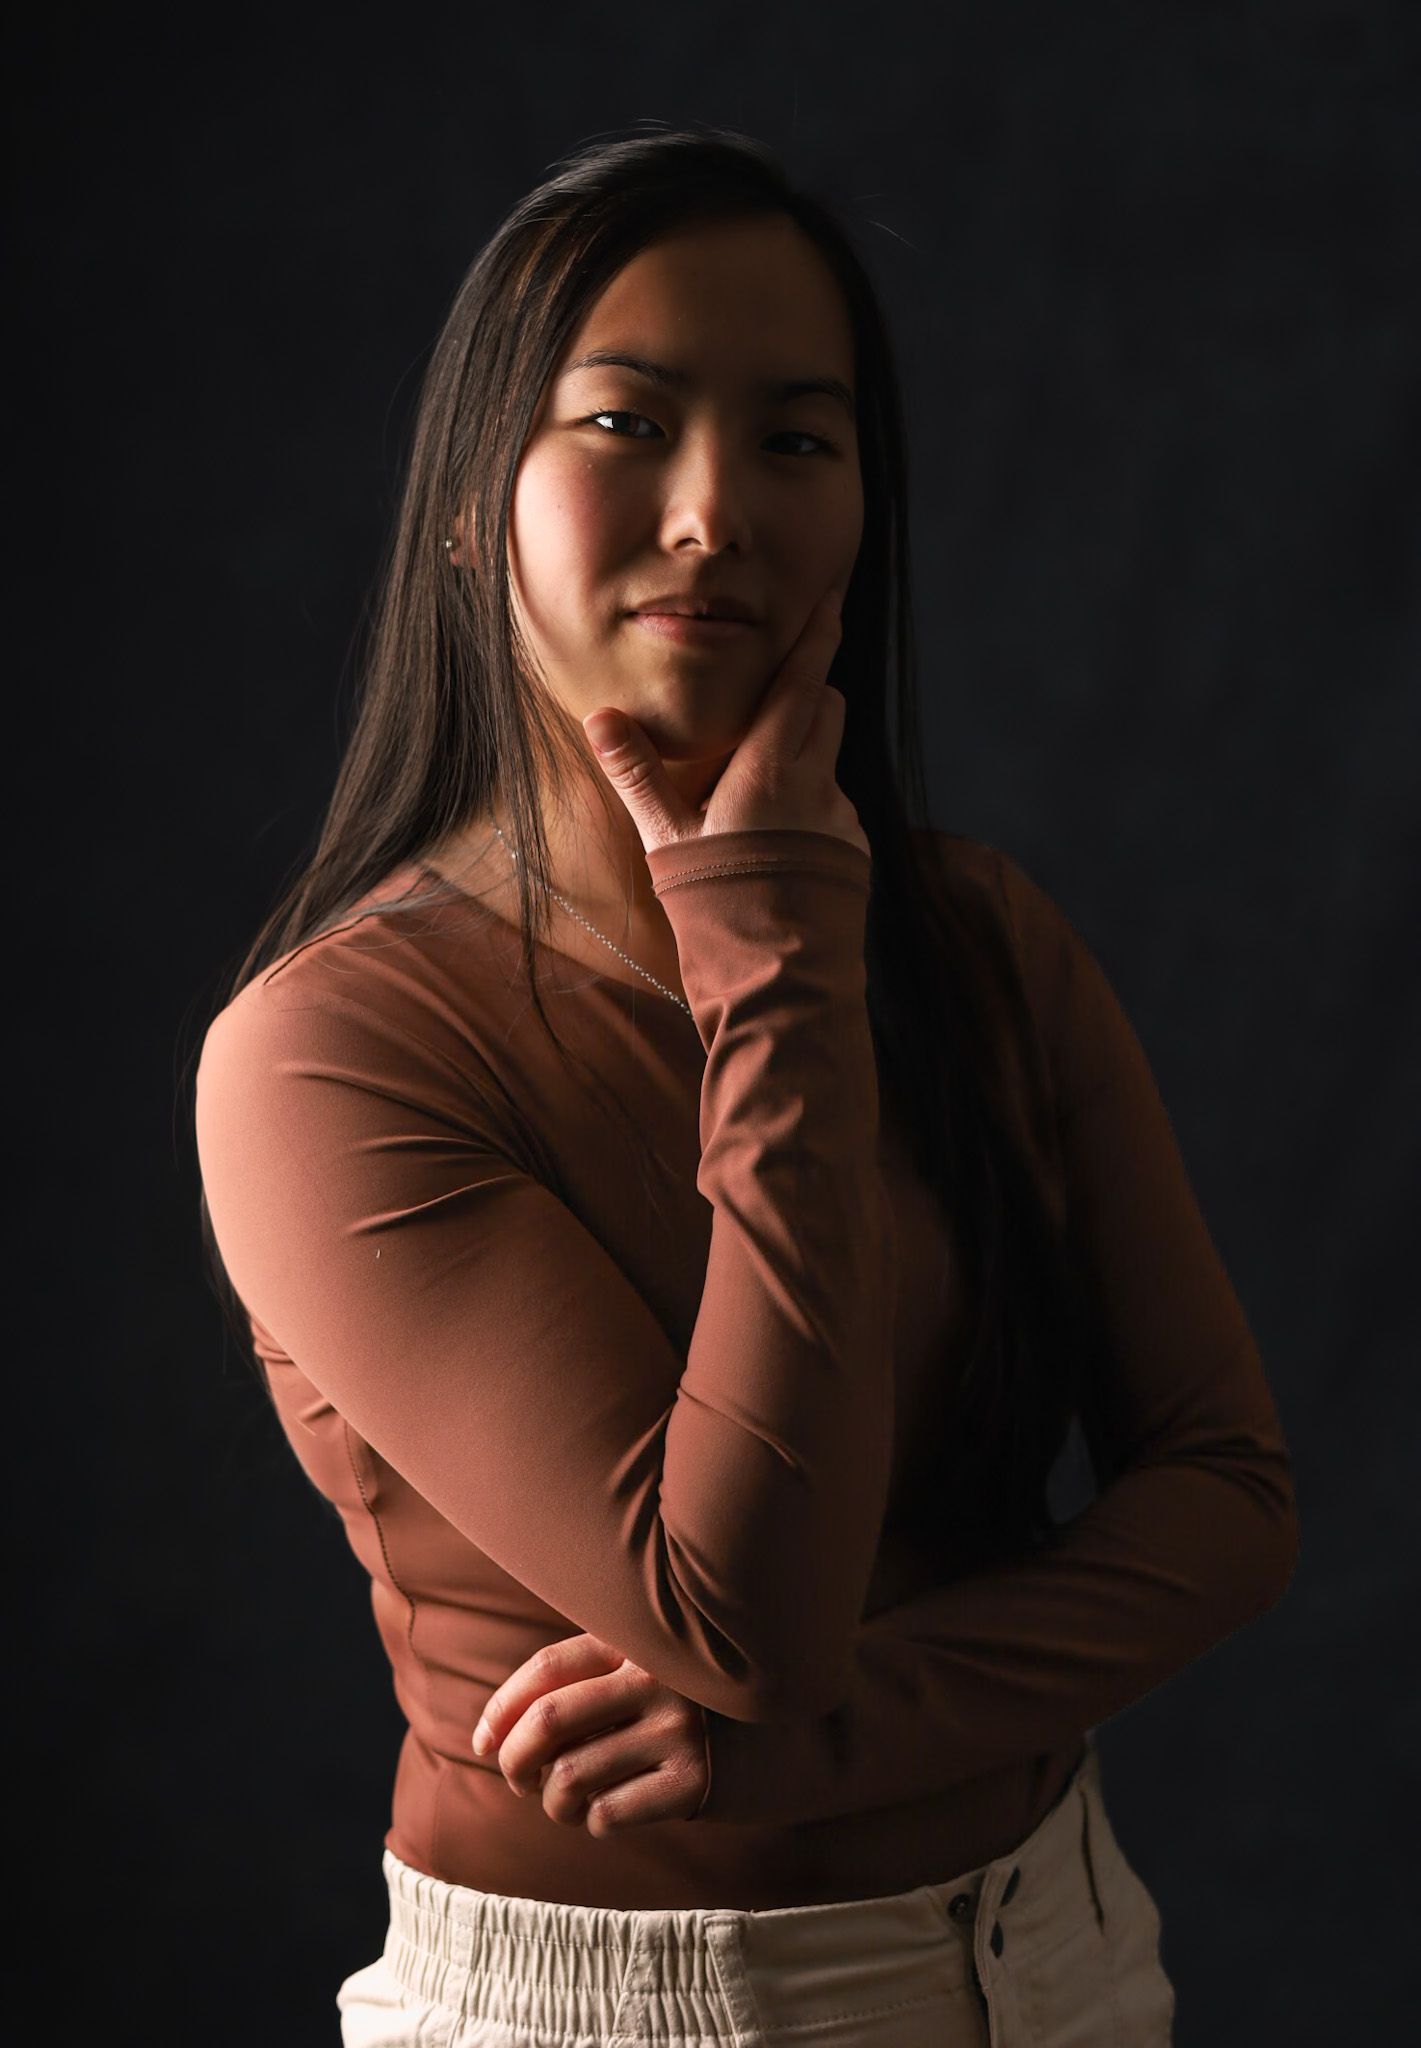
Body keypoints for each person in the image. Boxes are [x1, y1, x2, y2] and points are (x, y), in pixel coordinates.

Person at [193, 123, 1299, 2048]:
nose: (716, 512)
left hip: (1060, 1954)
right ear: (473, 507)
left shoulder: (980, 942)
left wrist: (826, 1739)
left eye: (799, 438)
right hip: (622, 2011)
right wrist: (770, 940)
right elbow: (734, 1621)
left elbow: (1225, 1498)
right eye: (625, 423)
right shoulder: (328, 1051)